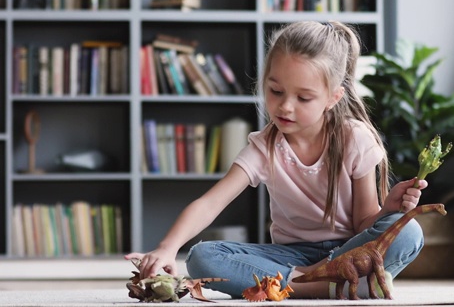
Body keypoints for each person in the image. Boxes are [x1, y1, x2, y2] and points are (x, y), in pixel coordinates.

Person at [125, 20, 427, 299]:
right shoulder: (264, 147)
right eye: (276, 91)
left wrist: (388, 209)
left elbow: (364, 224)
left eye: (303, 98)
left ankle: (305, 284)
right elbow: (210, 203)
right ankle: (330, 285)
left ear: (333, 98)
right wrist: (167, 247)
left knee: (408, 230)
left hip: (347, 252)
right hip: (290, 258)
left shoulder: (355, 138)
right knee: (202, 257)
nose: (285, 106)